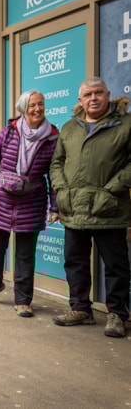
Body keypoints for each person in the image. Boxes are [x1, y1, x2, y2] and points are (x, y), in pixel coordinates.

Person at [50, 76, 131, 338]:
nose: (93, 98)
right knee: (75, 262)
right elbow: (56, 163)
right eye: (88, 95)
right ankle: (80, 309)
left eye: (98, 93)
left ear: (108, 95)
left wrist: (113, 188)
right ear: (80, 100)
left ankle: (117, 314)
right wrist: (61, 188)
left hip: (109, 208)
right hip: (74, 209)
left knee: (116, 266)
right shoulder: (69, 128)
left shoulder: (125, 124)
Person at [0, 89, 59, 317]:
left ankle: (23, 300)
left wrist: (55, 206)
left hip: (32, 203)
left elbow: (55, 174)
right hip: (1, 201)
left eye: (40, 104)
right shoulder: (8, 133)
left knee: (25, 255)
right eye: (32, 105)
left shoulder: (53, 137)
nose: (37, 109)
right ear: (23, 108)